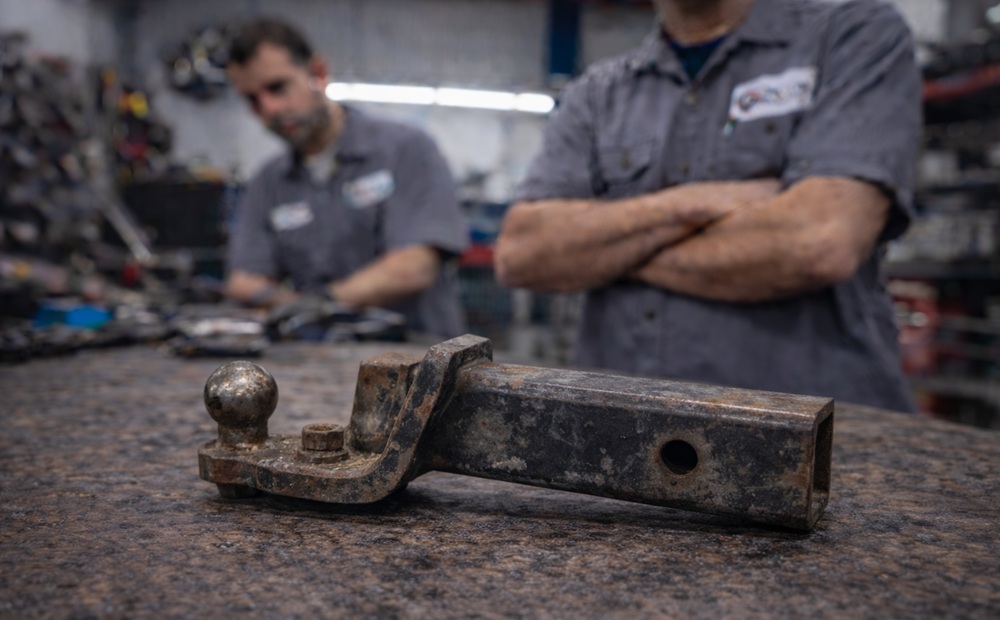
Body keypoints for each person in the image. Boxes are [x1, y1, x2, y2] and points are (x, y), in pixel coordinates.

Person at [495, 0, 921, 412]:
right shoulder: (597, 93)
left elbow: (818, 242)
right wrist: (699, 203)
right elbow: (522, 255)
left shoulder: (851, 35)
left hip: (819, 434)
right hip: (623, 432)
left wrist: (603, 248)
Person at [224, 18, 467, 338]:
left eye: (277, 87)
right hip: (318, 363)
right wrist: (285, 303)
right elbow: (244, 279)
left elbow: (414, 267)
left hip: (418, 363)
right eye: (252, 99)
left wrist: (320, 304)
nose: (269, 108)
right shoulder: (267, 183)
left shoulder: (405, 150)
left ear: (318, 74)